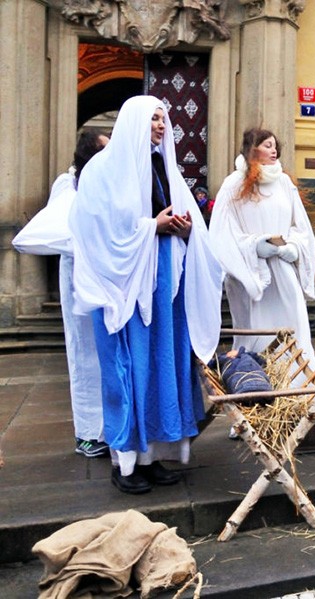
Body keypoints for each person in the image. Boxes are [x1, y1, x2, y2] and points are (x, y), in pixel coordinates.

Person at [69, 95, 223, 494]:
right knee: (130, 371)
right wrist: (151, 226)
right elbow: (96, 230)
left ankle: (151, 458)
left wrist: (185, 227)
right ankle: (125, 465)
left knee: (160, 370)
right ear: (133, 122)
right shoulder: (102, 171)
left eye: (164, 119)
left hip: (164, 288)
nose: (161, 125)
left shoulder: (165, 169)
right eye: (153, 119)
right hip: (127, 288)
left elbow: (193, 227)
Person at [12, 130, 110, 458]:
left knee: (110, 358)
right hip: (78, 281)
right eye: (103, 150)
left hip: (108, 281)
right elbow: (53, 229)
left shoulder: (111, 181)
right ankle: (87, 432)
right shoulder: (69, 186)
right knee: (85, 356)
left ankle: (111, 427)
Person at [209, 128, 315, 372]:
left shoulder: (284, 183)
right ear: (252, 149)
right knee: (259, 332)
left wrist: (294, 248)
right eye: (267, 145)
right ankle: (258, 382)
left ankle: (300, 387)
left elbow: (301, 226)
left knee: (293, 330)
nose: (274, 150)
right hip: (254, 277)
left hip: (284, 272)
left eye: (274, 145)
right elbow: (221, 233)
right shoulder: (234, 184)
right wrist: (254, 246)